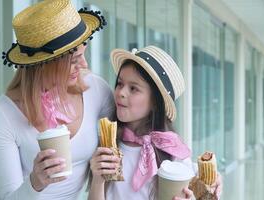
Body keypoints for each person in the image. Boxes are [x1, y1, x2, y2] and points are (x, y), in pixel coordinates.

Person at [0, 0, 113, 199]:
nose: (84, 64)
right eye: (74, 60)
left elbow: (128, 138)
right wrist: (35, 182)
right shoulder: (4, 113)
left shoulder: (96, 90)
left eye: (84, 54)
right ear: (44, 65)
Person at [88, 46, 222, 200]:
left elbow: (202, 190)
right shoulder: (107, 147)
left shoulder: (172, 152)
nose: (121, 92)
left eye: (133, 88)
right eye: (119, 84)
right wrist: (97, 181)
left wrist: (211, 185)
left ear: (155, 103)